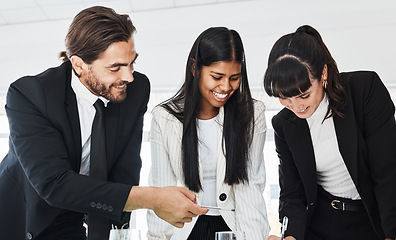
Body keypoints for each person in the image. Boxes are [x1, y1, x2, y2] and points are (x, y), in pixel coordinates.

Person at [0, 6, 207, 240]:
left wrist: (120, 232)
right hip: (23, 215)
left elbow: (125, 168)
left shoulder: (136, 89)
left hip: (79, 212)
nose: (128, 76)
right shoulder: (30, 95)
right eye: (115, 67)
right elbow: (54, 184)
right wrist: (153, 199)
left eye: (131, 62)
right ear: (78, 64)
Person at [264, 25, 396, 240]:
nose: (296, 107)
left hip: (372, 219)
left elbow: (388, 172)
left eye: (304, 95)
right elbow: (292, 192)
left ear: (323, 73)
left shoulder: (364, 91)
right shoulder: (283, 123)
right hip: (322, 223)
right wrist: (290, 236)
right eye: (284, 98)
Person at [147, 27, 270, 240]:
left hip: (236, 227)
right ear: (195, 69)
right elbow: (161, 189)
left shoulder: (252, 114)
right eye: (217, 76)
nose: (225, 87)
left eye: (234, 78)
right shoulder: (164, 118)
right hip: (186, 228)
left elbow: (249, 186)